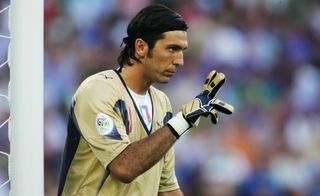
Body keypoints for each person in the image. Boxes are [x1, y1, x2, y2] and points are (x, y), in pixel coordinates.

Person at [58, 4, 234, 196]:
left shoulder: (161, 103)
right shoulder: (98, 91)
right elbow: (124, 167)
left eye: (182, 50)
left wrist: (179, 123)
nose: (179, 60)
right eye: (172, 49)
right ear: (141, 47)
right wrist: (182, 122)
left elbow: (167, 189)